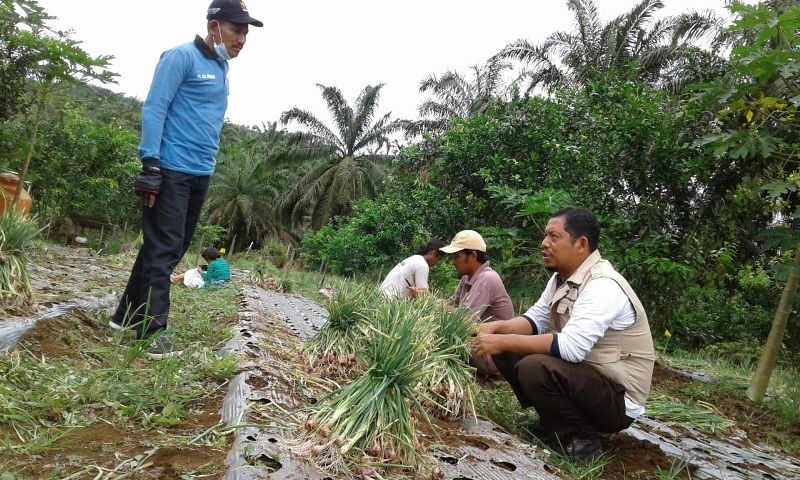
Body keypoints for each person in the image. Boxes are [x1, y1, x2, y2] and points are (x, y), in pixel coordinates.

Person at [108, 0, 262, 360]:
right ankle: (151, 331)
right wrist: (150, 164)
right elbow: (155, 106)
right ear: (214, 26)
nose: (243, 38)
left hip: (199, 173)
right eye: (237, 30)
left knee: (166, 247)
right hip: (171, 170)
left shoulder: (221, 66)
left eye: (246, 33)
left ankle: (123, 317)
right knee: (164, 249)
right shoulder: (180, 57)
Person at [473, 207, 655, 462]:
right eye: (545, 236)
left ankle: (582, 442)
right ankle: (555, 422)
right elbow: (536, 320)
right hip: (588, 380)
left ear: (581, 244)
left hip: (618, 399)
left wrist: (500, 340)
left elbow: (571, 348)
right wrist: (494, 328)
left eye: (553, 237)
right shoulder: (561, 279)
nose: (544, 244)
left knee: (534, 366)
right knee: (510, 349)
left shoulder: (603, 285)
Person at [440, 230, 514, 376]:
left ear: (473, 256)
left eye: (456, 257)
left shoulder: (487, 279)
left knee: (443, 339)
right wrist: (430, 302)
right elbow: (450, 303)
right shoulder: (467, 278)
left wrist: (440, 306)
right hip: (478, 345)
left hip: (491, 356)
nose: (453, 262)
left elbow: (464, 322)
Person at [380, 239, 445, 298]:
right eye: (438, 259)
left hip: (381, 296)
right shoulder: (422, 265)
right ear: (433, 252)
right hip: (389, 300)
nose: (437, 262)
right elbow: (423, 295)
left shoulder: (415, 259)